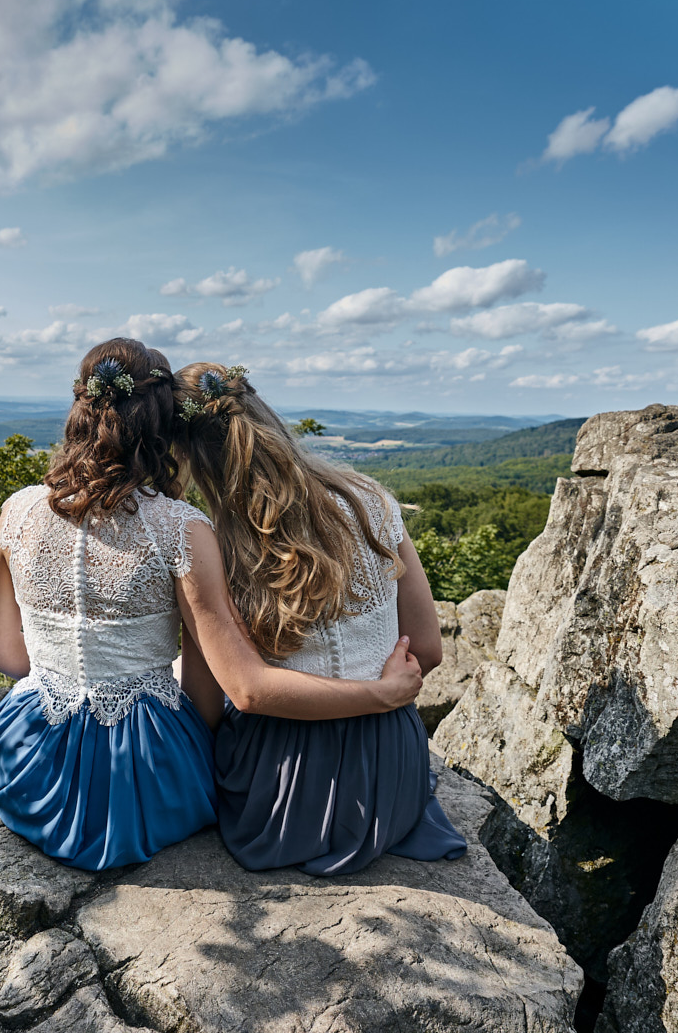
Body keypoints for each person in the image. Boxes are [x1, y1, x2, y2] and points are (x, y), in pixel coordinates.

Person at [0, 338, 424, 870]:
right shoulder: (181, 528)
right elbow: (210, 689)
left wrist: (68, 686)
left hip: (31, 757)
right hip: (152, 767)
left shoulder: (17, 510)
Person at [171, 361, 467, 876]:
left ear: (188, 457)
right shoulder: (370, 501)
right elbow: (428, 650)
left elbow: (228, 699)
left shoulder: (211, 546)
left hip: (286, 792)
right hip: (390, 769)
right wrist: (382, 693)